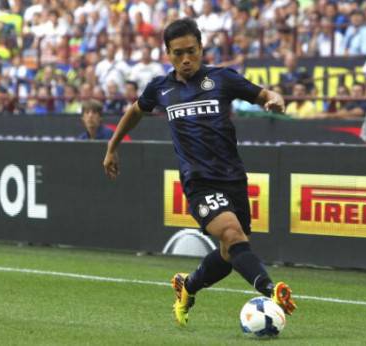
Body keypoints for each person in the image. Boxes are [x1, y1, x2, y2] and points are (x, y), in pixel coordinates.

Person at [102, 18, 296, 326]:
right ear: (167, 54)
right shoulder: (161, 88)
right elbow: (136, 111)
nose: (185, 59)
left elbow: (264, 94)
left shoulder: (222, 79)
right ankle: (272, 291)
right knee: (233, 235)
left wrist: (275, 98)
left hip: (233, 179)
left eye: (191, 51)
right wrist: (113, 146)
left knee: (230, 254)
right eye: (177, 53)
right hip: (198, 183)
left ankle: (187, 286)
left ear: (201, 48)